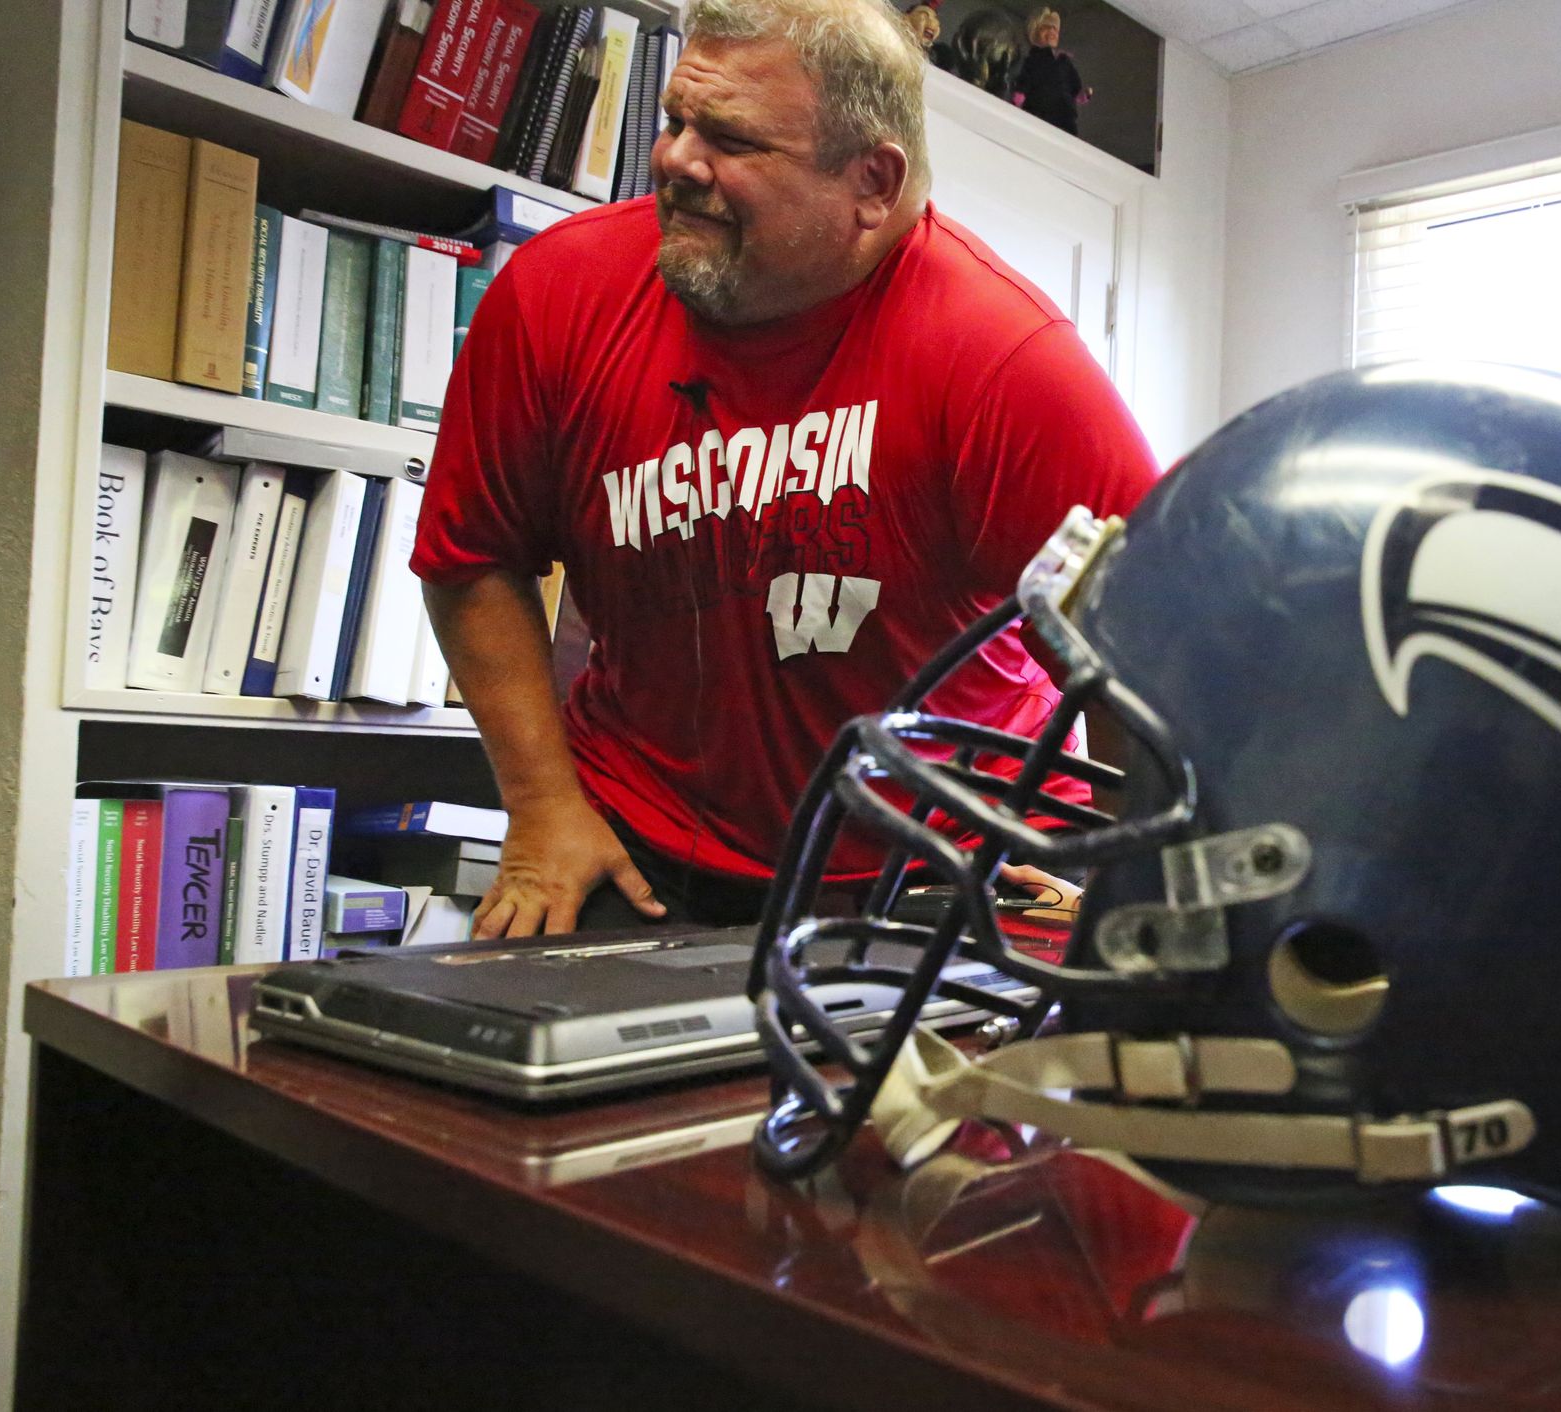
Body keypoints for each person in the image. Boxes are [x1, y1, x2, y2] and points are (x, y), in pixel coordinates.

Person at [411, 0, 1158, 939]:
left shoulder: (1006, 358)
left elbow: (1151, 654)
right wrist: (541, 808)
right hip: (640, 840)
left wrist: (1132, 899)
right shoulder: (558, 293)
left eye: (731, 139)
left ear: (872, 182)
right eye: (677, 120)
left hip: (951, 859)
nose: (676, 161)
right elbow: (470, 554)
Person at [1013, 7, 1086, 135]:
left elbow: (1074, 84)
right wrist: (1020, 95)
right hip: (1039, 110)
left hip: (1065, 116)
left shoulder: (1064, 61)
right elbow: (1026, 78)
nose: (1052, 31)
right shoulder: (1033, 59)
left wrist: (1081, 94)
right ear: (1035, 33)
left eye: (1055, 29)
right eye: (1046, 27)